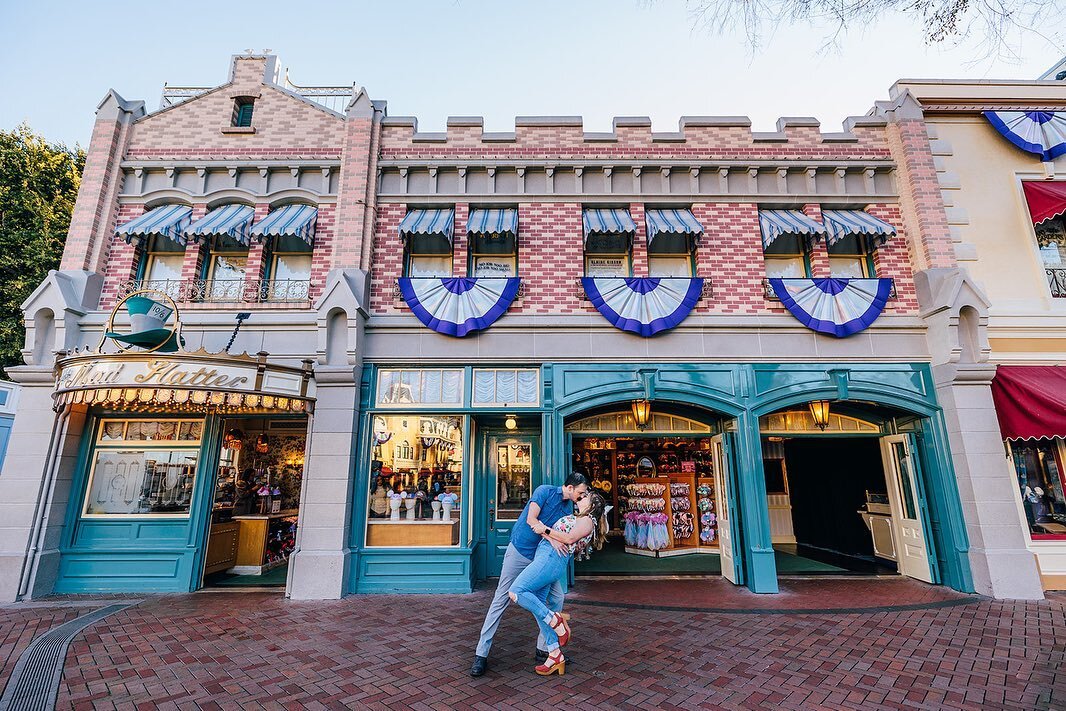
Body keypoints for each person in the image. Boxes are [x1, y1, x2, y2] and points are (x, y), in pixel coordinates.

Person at [469, 472, 590, 677]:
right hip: (520, 551)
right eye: (580, 492)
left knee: (556, 597)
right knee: (501, 598)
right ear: (570, 487)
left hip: (542, 559)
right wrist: (552, 539)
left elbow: (567, 535)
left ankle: (546, 649)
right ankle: (481, 654)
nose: (582, 496)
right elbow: (531, 520)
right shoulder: (544, 491)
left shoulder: (568, 507)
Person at [508, 491, 608, 676]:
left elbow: (569, 539)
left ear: (592, 505)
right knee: (538, 606)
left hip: (550, 558)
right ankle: (554, 655)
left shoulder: (587, 520)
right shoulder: (580, 518)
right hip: (546, 555)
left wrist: (543, 529)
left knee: (516, 592)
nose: (581, 497)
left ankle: (556, 620)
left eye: (585, 497)